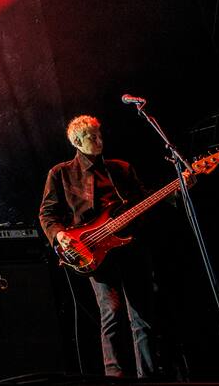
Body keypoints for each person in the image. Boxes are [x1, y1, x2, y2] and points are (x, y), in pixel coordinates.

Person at [38, 115, 159, 378]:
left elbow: (143, 200)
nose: (99, 140)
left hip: (130, 246)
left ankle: (149, 377)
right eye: (92, 137)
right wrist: (59, 235)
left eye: (99, 134)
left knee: (142, 316)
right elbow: (47, 214)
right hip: (94, 251)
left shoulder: (121, 169)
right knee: (112, 313)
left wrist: (173, 192)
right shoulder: (61, 173)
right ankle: (115, 376)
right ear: (77, 142)